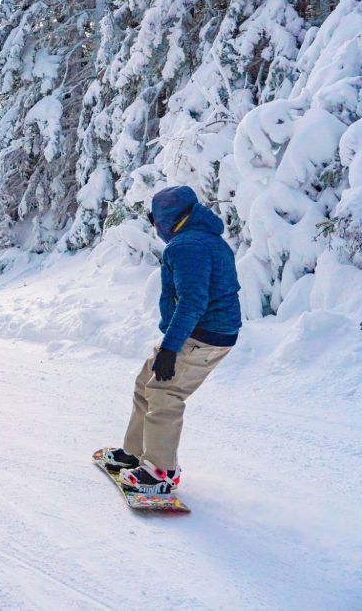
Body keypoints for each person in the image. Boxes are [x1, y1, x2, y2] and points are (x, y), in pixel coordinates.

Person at [102, 186, 242, 494]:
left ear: (166, 217)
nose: (152, 224)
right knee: (146, 382)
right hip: (197, 331)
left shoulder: (187, 246)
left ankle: (161, 472)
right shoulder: (204, 240)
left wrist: (169, 349)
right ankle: (135, 453)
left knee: (164, 393)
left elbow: (192, 302)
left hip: (203, 336)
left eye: (153, 217)